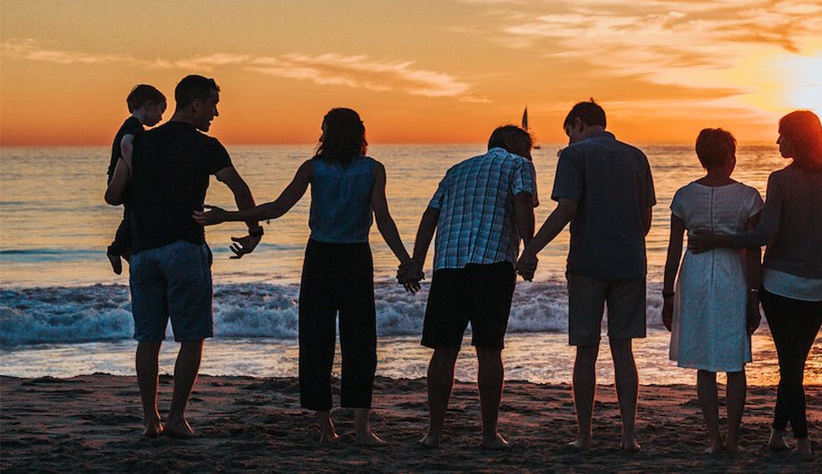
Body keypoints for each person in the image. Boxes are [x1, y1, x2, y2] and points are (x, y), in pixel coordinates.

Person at [688, 110, 822, 456]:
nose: (778, 142)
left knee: (790, 366)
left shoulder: (779, 179)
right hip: (820, 287)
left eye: (782, 135)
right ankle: (778, 433)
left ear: (797, 139)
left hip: (779, 285)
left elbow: (763, 234)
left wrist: (717, 238)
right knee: (794, 364)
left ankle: (803, 442)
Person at [195, 108, 415, 445]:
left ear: (327, 133)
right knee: (360, 343)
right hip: (354, 258)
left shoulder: (316, 168)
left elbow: (277, 208)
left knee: (317, 341)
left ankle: (325, 425)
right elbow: (383, 219)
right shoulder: (371, 169)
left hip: (323, 258)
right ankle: (361, 429)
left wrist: (230, 216)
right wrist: (406, 261)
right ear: (359, 134)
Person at [105, 74, 264, 439]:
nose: (216, 113)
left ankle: (150, 421)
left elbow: (115, 194)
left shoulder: (138, 144)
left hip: (144, 253)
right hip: (184, 249)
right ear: (195, 103)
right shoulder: (207, 146)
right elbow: (240, 189)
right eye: (212, 104)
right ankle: (176, 418)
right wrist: (254, 232)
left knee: (148, 339)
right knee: (191, 337)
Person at [525, 100, 655, 452]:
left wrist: (531, 248)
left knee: (586, 349)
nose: (568, 142)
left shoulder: (575, 156)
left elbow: (566, 208)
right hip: (630, 262)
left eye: (569, 134)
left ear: (578, 124)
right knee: (622, 349)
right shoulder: (636, 157)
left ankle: (585, 436)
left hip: (588, 263)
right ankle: (629, 435)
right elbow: (645, 220)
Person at [405, 124, 538, 449]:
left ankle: (433, 434)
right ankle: (489, 435)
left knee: (444, 350)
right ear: (509, 141)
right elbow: (522, 201)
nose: (529, 153)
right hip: (492, 262)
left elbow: (430, 215)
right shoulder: (518, 164)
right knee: (489, 349)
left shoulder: (456, 170)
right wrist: (529, 249)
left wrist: (416, 262)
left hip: (449, 264)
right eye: (527, 146)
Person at [660, 128, 763, 454]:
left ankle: (714, 440)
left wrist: (667, 295)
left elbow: (673, 250)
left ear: (701, 158)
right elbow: (754, 251)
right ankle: (732, 439)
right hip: (733, 277)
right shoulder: (748, 196)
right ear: (730, 157)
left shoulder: (684, 196)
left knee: (705, 364)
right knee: (734, 363)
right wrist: (754, 295)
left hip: (696, 277)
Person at [106, 84, 167, 274]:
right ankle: (117, 248)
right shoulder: (133, 125)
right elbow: (126, 145)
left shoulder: (133, 126)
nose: (161, 117)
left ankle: (123, 248)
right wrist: (139, 170)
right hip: (123, 179)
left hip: (127, 178)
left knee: (133, 214)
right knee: (133, 213)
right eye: (161, 110)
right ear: (149, 105)